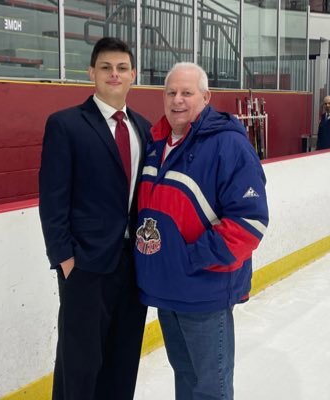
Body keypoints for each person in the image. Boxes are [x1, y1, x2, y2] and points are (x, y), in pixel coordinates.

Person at [134, 62, 269, 400]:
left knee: (210, 388)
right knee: (186, 378)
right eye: (171, 92)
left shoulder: (228, 145)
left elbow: (249, 223)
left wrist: (190, 259)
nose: (177, 100)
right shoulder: (155, 144)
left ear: (206, 97)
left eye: (187, 93)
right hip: (167, 290)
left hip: (204, 290)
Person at [38, 37, 151, 400]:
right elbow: (53, 199)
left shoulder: (145, 129)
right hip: (85, 266)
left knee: (123, 360)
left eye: (121, 68)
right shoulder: (66, 125)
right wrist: (66, 260)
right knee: (79, 364)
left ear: (133, 74)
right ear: (92, 73)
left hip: (133, 266)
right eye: (106, 68)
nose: (114, 74)